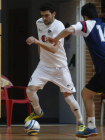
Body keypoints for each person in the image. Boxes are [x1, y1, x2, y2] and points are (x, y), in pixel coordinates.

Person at [48, 2, 105, 138]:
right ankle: (91, 127)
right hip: (104, 72)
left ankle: (91, 126)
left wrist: (55, 39)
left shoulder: (87, 25)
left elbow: (68, 30)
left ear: (85, 17)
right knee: (86, 94)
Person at [25, 1, 85, 135]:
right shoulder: (39, 22)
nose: (44, 18)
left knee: (68, 97)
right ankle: (38, 112)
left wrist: (36, 41)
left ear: (54, 14)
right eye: (42, 16)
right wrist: (41, 56)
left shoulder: (59, 26)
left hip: (60, 68)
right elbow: (42, 40)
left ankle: (81, 123)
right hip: (43, 66)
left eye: (47, 16)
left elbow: (53, 48)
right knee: (30, 90)